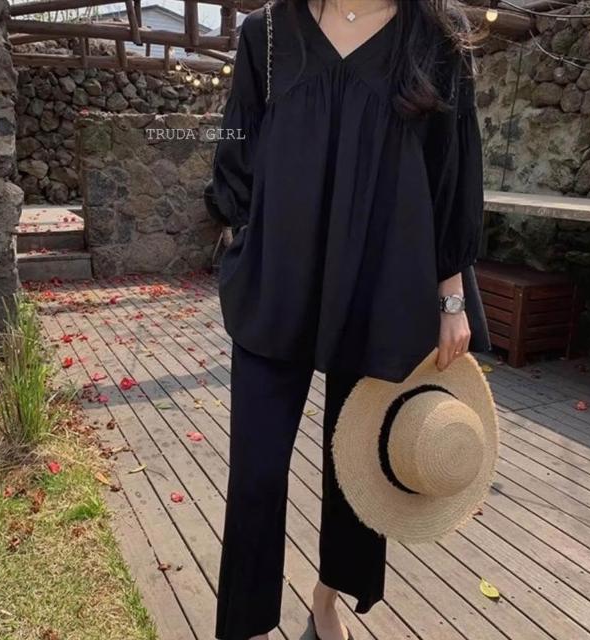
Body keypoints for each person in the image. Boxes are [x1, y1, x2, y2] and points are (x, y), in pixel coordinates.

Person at [209, 1, 491, 639]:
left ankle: (327, 598)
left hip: (383, 280)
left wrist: (451, 296)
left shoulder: (437, 40)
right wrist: (245, 240)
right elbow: (237, 148)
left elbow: (452, 172)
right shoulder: (267, 34)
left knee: (358, 465)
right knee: (255, 472)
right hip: (278, 280)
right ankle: (247, 625)